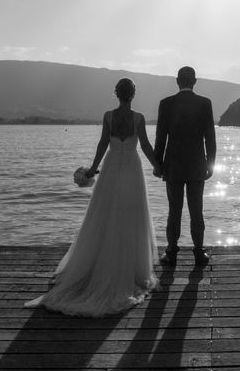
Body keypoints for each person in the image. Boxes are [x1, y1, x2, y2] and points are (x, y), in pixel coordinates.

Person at [24, 78, 160, 316]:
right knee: (131, 214)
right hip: (132, 169)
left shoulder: (108, 116)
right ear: (133, 94)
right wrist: (159, 166)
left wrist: (92, 169)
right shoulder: (138, 118)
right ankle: (131, 268)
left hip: (109, 169)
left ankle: (100, 263)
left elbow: (102, 145)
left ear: (116, 94)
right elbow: (146, 147)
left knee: (104, 214)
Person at [154, 66, 216, 266]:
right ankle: (199, 252)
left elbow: (161, 137)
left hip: (173, 165)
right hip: (197, 165)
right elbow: (210, 137)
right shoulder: (205, 103)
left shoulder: (166, 104)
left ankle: (171, 252)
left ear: (177, 81)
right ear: (194, 81)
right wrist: (211, 163)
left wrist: (158, 164)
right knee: (196, 209)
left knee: (174, 210)